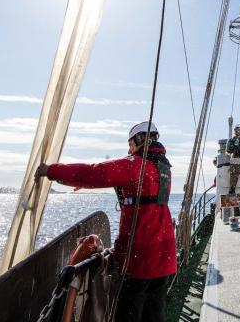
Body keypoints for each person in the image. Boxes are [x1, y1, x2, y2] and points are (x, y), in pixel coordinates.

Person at [36, 121, 176, 322]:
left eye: (130, 144)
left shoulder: (136, 164)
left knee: (128, 313)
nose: (129, 149)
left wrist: (51, 171)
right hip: (165, 256)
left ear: (139, 140)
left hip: (142, 258)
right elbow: (141, 193)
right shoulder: (163, 167)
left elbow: (95, 172)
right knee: (154, 314)